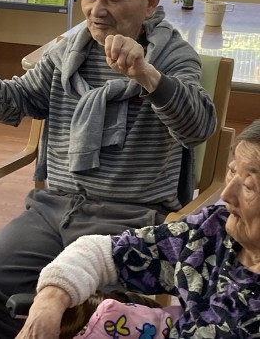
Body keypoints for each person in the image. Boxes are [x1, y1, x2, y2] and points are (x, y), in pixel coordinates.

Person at [0, 0, 218, 338]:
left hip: (131, 219)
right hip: (54, 209)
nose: (97, 9)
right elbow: (18, 102)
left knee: (97, 312)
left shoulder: (172, 57)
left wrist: (146, 75)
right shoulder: (67, 52)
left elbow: (198, 127)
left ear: (150, 2)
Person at [17, 119, 260, 338]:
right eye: (231, 171)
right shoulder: (210, 232)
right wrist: (49, 301)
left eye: (249, 186)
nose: (226, 195)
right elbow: (101, 252)